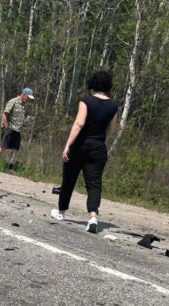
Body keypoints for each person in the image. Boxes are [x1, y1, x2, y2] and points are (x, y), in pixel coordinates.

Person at [50, 70, 118, 233]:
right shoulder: (114, 105)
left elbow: (79, 124)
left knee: (69, 179)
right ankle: (93, 217)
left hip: (80, 146)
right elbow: (111, 129)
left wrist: (68, 145)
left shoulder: (86, 101)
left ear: (92, 84)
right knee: (94, 184)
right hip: (98, 147)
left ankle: (61, 212)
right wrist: (99, 139)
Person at [0, 87, 35, 174]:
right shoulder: (13, 101)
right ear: (24, 94)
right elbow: (5, 114)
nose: (28, 99)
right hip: (9, 128)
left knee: (16, 150)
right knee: (4, 147)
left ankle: (10, 168)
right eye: (28, 97)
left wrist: (26, 122)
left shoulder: (23, 105)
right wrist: (6, 127)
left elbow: (19, 119)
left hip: (17, 130)